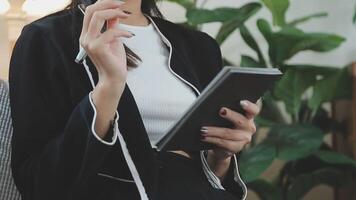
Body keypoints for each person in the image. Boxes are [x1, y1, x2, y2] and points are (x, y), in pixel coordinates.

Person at [9, 0, 260, 200]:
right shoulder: (46, 39)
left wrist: (223, 154)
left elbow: (211, 177)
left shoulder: (199, 47)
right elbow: (38, 184)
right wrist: (108, 87)